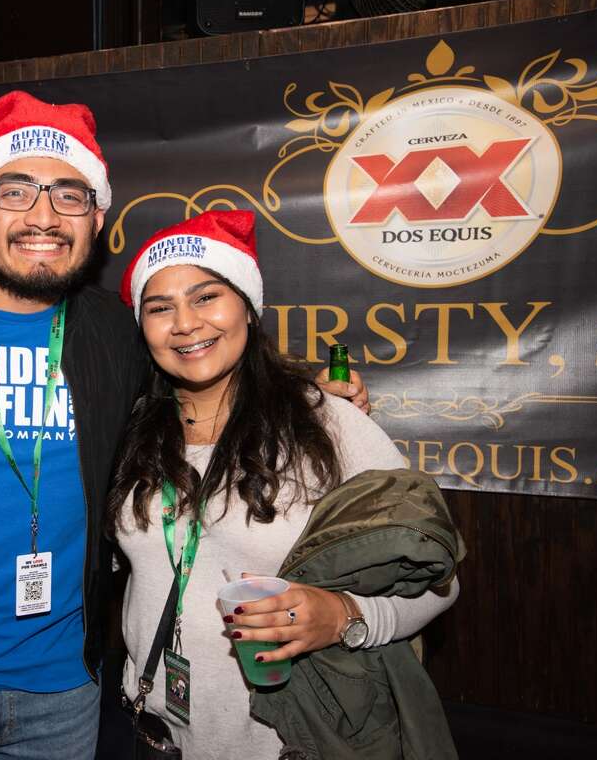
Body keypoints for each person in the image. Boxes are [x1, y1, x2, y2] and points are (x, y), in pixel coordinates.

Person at [0, 90, 370, 759]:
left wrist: (312, 396)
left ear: (96, 218)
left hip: (63, 695)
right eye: (15, 191)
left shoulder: (117, 334)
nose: (43, 215)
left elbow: (210, 364)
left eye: (69, 195)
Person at [110, 209, 461, 759]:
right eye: (160, 308)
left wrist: (346, 616)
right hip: (159, 734)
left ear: (247, 308)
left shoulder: (327, 422)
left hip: (291, 742)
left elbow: (438, 578)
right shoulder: (132, 430)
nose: (185, 323)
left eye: (207, 297)